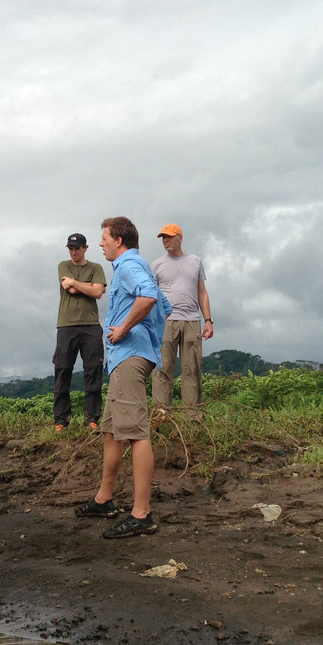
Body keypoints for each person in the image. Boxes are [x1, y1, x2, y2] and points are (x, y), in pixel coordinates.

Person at [76, 217, 170, 539]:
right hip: (125, 358)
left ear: (119, 240)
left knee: (135, 432)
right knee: (113, 431)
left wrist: (127, 328)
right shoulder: (131, 267)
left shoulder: (129, 265)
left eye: (103, 238)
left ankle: (142, 514)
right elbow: (165, 306)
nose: (100, 243)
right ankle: (104, 499)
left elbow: (150, 299)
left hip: (129, 356)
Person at [150, 223, 214, 418]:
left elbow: (202, 292)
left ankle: (192, 417)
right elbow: (151, 296)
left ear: (180, 237)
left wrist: (208, 320)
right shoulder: (157, 264)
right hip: (165, 322)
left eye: (169, 237)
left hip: (192, 320)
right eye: (163, 238)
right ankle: (161, 416)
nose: (165, 241)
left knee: (192, 369)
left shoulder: (195, 261)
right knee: (163, 369)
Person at [53, 232, 107, 432]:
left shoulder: (96, 267)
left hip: (91, 325)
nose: (74, 252)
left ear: (85, 248)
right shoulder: (63, 265)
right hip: (66, 325)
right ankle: (61, 421)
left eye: (77, 248)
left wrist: (75, 282)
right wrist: (88, 286)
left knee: (93, 371)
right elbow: (72, 288)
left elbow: (98, 292)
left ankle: (92, 419)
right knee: (62, 370)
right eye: (71, 248)